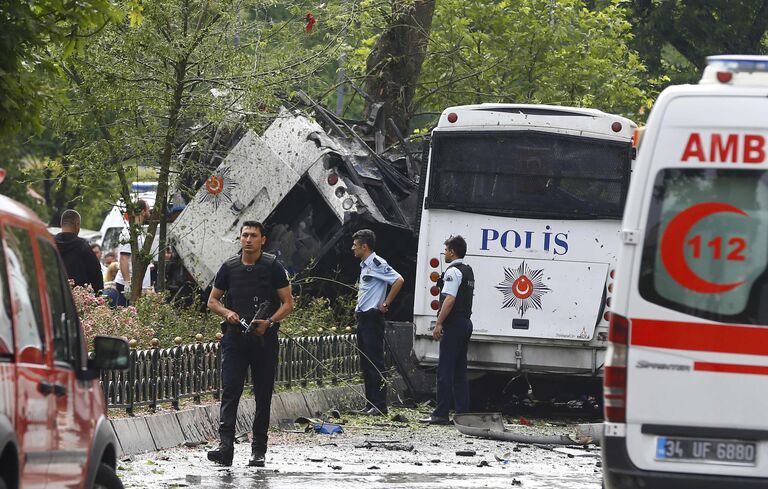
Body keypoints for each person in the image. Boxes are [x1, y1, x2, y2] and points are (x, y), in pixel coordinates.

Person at [206, 221, 294, 467]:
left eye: (253, 235)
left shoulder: (273, 266)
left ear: (262, 239)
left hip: (264, 339)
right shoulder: (229, 267)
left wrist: (270, 322)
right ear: (240, 238)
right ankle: (225, 448)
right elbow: (213, 301)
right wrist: (227, 313)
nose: (248, 239)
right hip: (235, 337)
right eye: (244, 235)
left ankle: (259, 450)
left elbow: (287, 303)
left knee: (263, 394)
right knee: (230, 391)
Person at [420, 235, 475, 425]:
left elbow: (449, 299)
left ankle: (440, 414)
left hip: (454, 324)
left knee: (445, 370)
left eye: (446, 250)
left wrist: (439, 323)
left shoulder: (453, 272)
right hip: (465, 322)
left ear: (452, 252)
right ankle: (462, 414)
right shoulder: (468, 271)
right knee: (460, 371)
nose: (444, 253)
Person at [351, 229, 404, 416]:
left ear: (364, 247)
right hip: (363, 317)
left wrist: (386, 303)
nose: (353, 248)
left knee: (375, 362)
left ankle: (380, 405)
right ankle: (370, 403)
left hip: (373, 317)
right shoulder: (364, 265)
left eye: (355, 245)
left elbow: (398, 280)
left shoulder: (377, 263)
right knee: (366, 362)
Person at [54, 209, 104, 293]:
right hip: (78, 299)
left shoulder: (50, 244)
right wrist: (98, 295)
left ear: (61, 224)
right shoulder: (83, 246)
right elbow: (96, 275)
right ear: (77, 224)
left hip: (55, 296)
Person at [114, 199, 152, 302]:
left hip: (136, 284)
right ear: (143, 212)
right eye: (148, 210)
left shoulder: (137, 230)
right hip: (129, 285)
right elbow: (123, 258)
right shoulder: (129, 232)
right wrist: (127, 283)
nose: (149, 212)